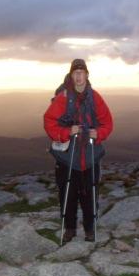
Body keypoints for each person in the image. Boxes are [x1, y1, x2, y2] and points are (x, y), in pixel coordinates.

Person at [44, 58, 113, 242]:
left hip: (90, 155)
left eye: (82, 72)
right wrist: (67, 132)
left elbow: (108, 122)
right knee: (68, 193)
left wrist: (97, 133)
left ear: (87, 75)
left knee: (90, 193)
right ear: (71, 75)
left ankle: (90, 229)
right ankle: (70, 229)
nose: (79, 75)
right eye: (76, 72)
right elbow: (49, 122)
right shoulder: (63, 98)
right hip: (68, 156)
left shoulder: (95, 97)